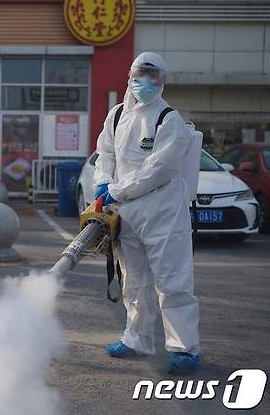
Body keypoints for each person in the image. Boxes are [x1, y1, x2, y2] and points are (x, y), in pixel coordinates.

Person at [93, 52, 200, 374]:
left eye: (153, 76)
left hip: (163, 210)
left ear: (163, 82)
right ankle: (136, 339)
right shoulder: (115, 115)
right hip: (127, 213)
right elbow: (105, 154)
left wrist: (116, 191)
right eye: (141, 74)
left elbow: (159, 169)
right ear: (129, 76)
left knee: (173, 280)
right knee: (134, 281)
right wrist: (103, 182)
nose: (146, 82)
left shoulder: (169, 119)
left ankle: (184, 347)